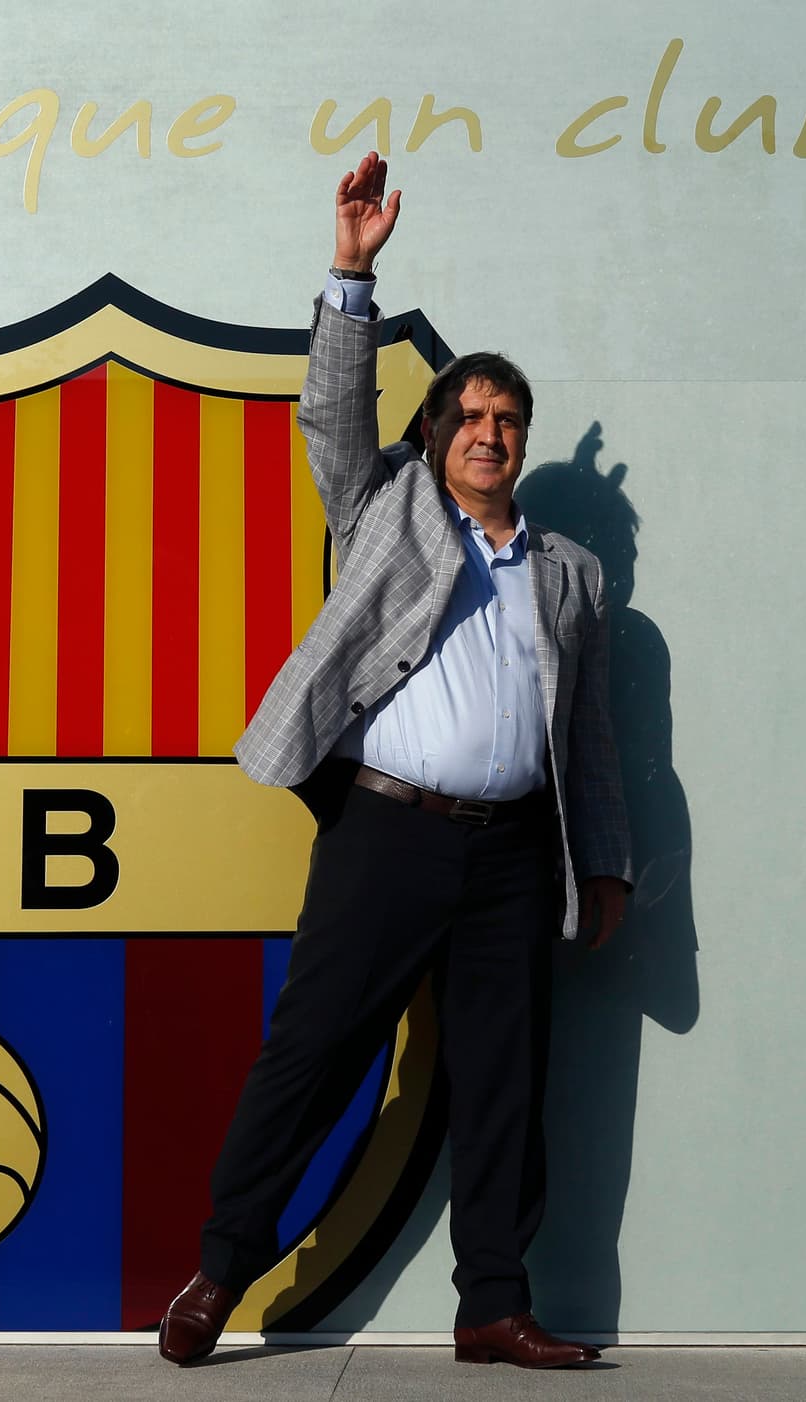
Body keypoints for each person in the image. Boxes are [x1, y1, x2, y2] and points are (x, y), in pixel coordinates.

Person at [158, 152, 631, 1370]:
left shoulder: (568, 569)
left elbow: (587, 731)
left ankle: (492, 1305)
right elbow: (328, 414)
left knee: (503, 1084)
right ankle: (219, 1271)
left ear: (519, 442)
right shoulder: (386, 510)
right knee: (314, 1053)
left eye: (504, 420)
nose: (487, 433)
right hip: (387, 832)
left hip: (516, 853)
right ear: (432, 437)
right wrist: (352, 273)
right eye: (467, 417)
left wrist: (607, 865)